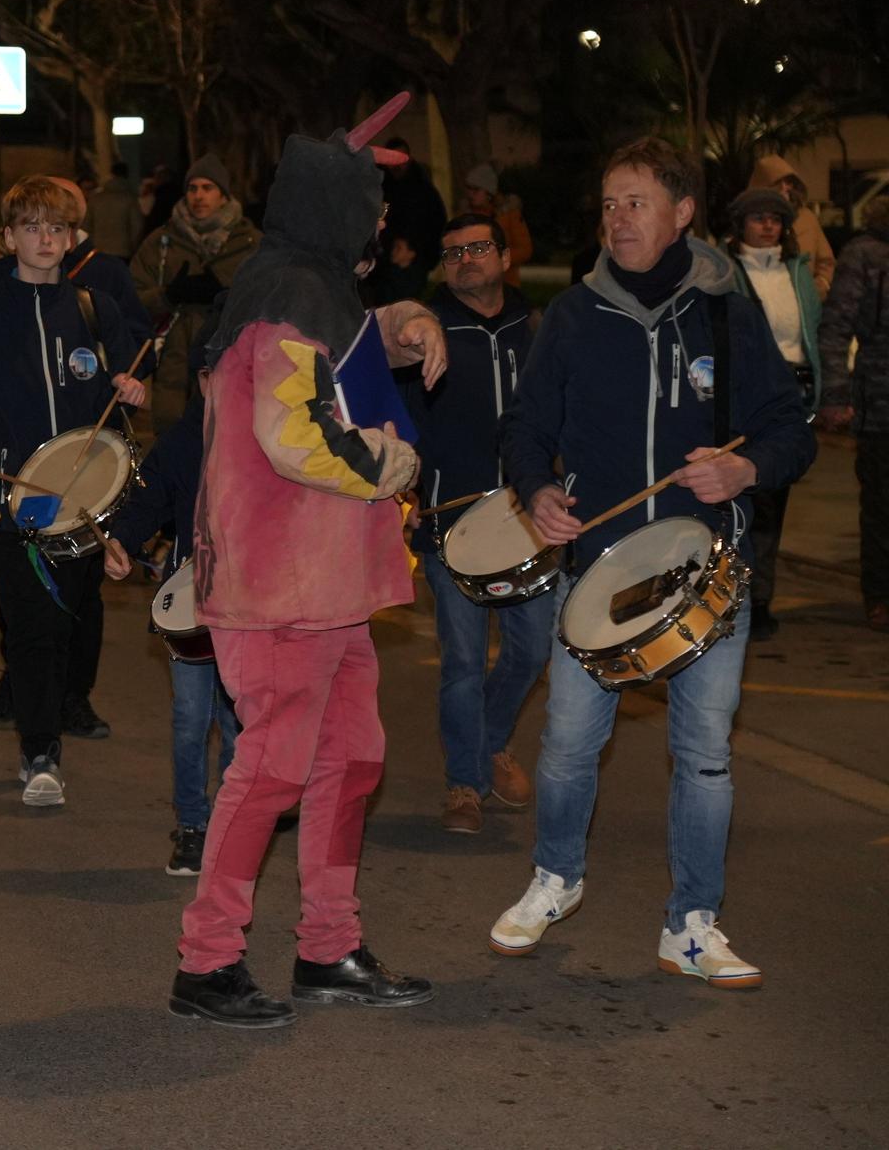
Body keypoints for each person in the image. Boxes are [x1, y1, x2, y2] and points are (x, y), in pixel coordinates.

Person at [488, 137, 814, 988]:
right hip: (596, 566)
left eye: (635, 201)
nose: (616, 217)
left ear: (681, 213)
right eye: (608, 202)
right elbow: (525, 428)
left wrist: (743, 467)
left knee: (704, 750)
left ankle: (693, 923)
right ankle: (556, 878)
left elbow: (792, 432)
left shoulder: (725, 313)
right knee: (563, 743)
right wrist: (536, 490)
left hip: (707, 570)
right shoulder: (571, 315)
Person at [168, 99, 445, 1030]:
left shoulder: (298, 283)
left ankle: (329, 946)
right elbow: (295, 433)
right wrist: (391, 460)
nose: (379, 227)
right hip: (279, 581)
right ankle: (208, 961)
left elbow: (337, 361)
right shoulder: (290, 292)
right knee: (272, 774)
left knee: (350, 761)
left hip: (326, 583)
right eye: (368, 210)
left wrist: (400, 319)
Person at [0, 175, 145, 807]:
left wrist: (130, 388)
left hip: (89, 494)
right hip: (16, 495)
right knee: (34, 624)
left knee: (77, 617)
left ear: (72, 237)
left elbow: (132, 373)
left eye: (57, 229)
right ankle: (40, 752)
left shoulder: (91, 306)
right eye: (32, 227)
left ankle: (53, 703)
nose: (46, 239)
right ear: (8, 238)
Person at [400, 213, 548, 834]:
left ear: (506, 256)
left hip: (528, 522)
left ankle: (487, 743)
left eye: (478, 247)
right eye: (451, 252)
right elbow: (396, 424)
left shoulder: (539, 328)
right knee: (462, 660)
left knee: (532, 648)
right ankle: (464, 784)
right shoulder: (421, 332)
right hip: (447, 523)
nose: (464, 259)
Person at [103, 333, 239, 876]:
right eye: (219, 379)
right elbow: (149, 499)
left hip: (251, 604)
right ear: (203, 382)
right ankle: (192, 823)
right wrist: (122, 541)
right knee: (189, 720)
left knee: (239, 721)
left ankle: (232, 819)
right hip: (189, 599)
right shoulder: (183, 442)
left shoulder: (271, 440)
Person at [723, 187, 822, 639]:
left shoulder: (797, 272)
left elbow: (812, 332)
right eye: (757, 218)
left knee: (774, 501)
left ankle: (761, 597)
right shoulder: (727, 273)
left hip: (795, 389)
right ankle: (734, 591)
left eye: (775, 219)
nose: (767, 226)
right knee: (745, 500)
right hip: (748, 393)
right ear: (740, 224)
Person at [131, 154, 261, 428]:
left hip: (230, 360)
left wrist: (227, 297)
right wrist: (168, 295)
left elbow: (270, 302)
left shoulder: (250, 243)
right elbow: (133, 299)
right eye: (192, 188)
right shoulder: (161, 242)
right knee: (173, 442)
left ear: (224, 195)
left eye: (207, 188)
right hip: (173, 365)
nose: (198, 196)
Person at [819, 196, 889, 630]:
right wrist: (835, 394)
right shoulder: (863, 254)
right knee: (881, 505)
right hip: (880, 404)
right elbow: (836, 328)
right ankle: (880, 594)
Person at [368, 137, 446, 307]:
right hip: (382, 267)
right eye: (392, 159)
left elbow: (435, 225)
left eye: (401, 158)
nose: (396, 165)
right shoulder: (378, 188)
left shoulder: (424, 191)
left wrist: (414, 249)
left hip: (414, 264)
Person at [749, 154, 836, 296]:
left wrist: (820, 286)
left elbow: (825, 261)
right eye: (777, 182)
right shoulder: (751, 223)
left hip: (806, 305)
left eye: (788, 181)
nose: (784, 187)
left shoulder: (806, 218)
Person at [460, 163, 534, 287]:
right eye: (468, 188)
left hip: (505, 285)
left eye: (476, 189)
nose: (471, 194)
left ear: (489, 193)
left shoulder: (509, 215)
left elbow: (525, 249)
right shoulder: (464, 216)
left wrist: (498, 259)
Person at [86, 162, 146, 258]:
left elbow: (86, 225)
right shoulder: (129, 199)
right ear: (126, 174)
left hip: (98, 249)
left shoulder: (96, 198)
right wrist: (133, 247)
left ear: (112, 174)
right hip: (122, 250)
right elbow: (137, 227)